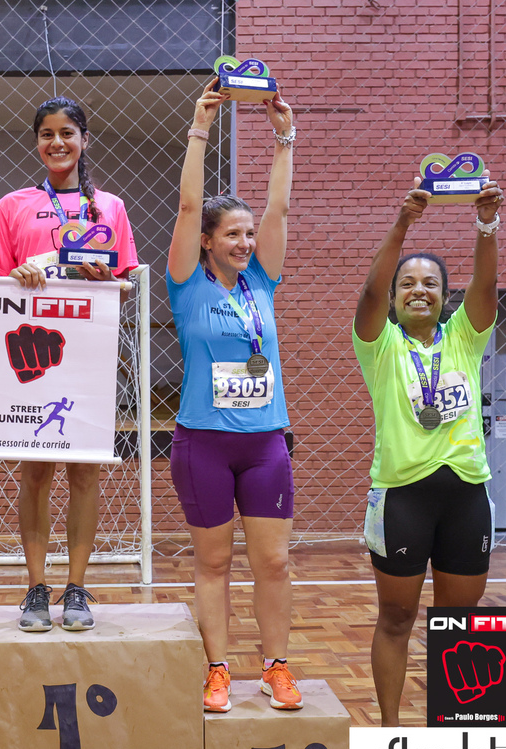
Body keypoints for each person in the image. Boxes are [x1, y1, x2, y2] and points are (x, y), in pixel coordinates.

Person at [166, 80, 300, 713]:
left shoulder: (262, 283)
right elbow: (189, 205)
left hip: (265, 444)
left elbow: (279, 210)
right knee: (214, 564)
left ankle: (276, 667)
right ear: (207, 240)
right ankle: (217, 670)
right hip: (204, 445)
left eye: (248, 234)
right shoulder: (186, 283)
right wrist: (200, 128)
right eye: (232, 235)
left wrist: (284, 137)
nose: (245, 243)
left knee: (273, 563)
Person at [0, 96, 139, 633]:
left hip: (89, 354)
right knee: (34, 472)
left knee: (84, 472)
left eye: (68, 132)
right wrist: (19, 277)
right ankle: (36, 588)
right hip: (32, 352)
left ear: (84, 139)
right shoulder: (13, 205)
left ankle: (76, 587)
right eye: (47, 133)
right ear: (36, 142)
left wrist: (109, 282)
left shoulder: (110, 208)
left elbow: (125, 289)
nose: (57, 142)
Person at [353, 174, 503, 725]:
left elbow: (486, 286)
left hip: (466, 497)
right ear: (395, 298)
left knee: (462, 624)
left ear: (444, 296)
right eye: (408, 283)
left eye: (431, 283)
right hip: (402, 500)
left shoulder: (465, 336)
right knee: (396, 620)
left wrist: (486, 225)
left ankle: (456, 735)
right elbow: (370, 295)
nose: (419, 290)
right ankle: (391, 733)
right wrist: (402, 223)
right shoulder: (380, 344)